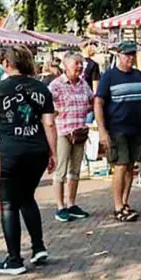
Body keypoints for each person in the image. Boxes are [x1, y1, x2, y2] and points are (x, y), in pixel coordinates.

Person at [0, 46, 57, 275]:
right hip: (36, 150)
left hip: (8, 151)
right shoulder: (42, 88)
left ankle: (14, 259)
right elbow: (49, 123)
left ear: (7, 64)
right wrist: (53, 152)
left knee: (8, 203)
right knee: (27, 197)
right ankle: (38, 247)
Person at [95, 41, 141, 222]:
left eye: (133, 55)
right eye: (127, 55)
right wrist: (102, 130)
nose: (130, 58)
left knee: (130, 166)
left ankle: (125, 202)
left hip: (135, 128)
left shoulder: (139, 75)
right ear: (118, 55)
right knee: (120, 165)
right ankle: (117, 205)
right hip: (117, 128)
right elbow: (98, 103)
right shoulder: (109, 76)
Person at [49, 53, 94, 222]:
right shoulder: (56, 84)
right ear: (66, 66)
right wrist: (54, 115)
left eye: (81, 64)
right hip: (63, 133)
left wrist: (86, 110)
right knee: (60, 171)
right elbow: (46, 104)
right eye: (77, 64)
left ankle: (71, 203)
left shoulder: (83, 84)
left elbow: (92, 101)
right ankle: (60, 207)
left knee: (75, 171)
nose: (80, 67)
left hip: (80, 132)